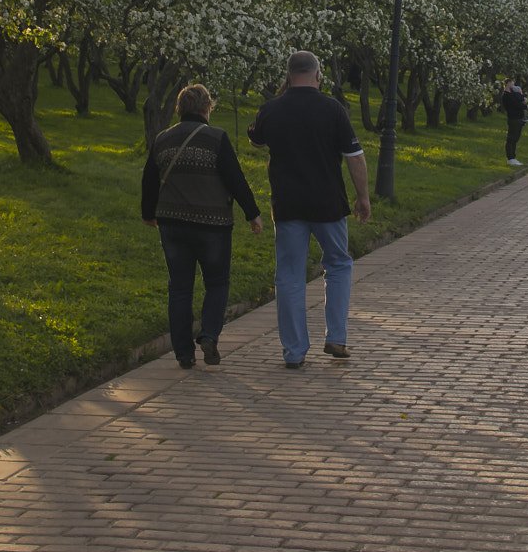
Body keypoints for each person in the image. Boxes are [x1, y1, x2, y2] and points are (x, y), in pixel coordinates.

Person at [248, 51, 372, 368]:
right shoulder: (333, 109)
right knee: (339, 265)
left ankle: (294, 351)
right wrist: (363, 197)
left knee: (289, 276)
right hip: (328, 204)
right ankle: (336, 337)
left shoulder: (272, 109)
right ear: (318, 76)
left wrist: (278, 99)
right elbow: (355, 157)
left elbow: (256, 140)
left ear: (288, 76)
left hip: (287, 205)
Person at [142, 85, 264, 369]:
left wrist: (149, 214)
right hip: (213, 225)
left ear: (179, 109)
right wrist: (252, 214)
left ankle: (183, 353)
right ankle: (209, 334)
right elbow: (236, 179)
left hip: (171, 224)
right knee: (217, 282)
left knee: (180, 288)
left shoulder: (162, 139)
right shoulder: (216, 138)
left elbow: (149, 180)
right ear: (207, 108)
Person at [500, 80, 528, 165]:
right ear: (508, 84)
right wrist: (525, 106)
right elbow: (516, 104)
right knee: (512, 138)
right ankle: (510, 157)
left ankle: (513, 156)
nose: (513, 86)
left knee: (515, 138)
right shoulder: (506, 96)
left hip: (518, 118)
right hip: (513, 118)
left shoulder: (512, 94)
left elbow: (520, 99)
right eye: (512, 84)